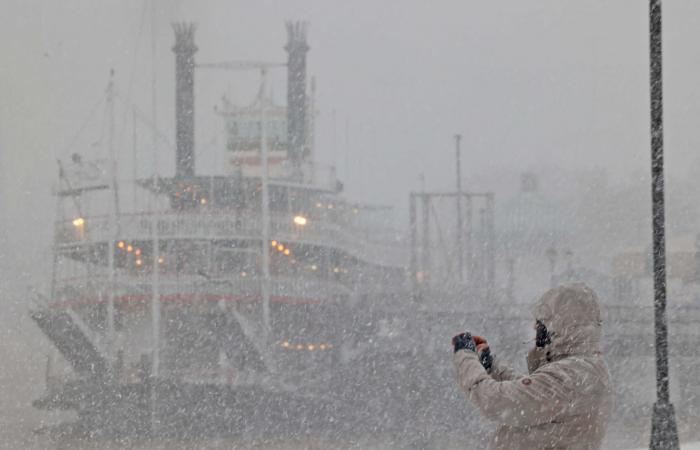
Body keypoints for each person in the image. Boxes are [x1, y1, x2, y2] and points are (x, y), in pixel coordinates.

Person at [452, 283, 613, 450]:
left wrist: (465, 355)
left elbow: (497, 400)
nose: (535, 327)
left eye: (541, 321)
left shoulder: (571, 375)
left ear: (561, 327)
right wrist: (492, 367)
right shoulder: (582, 371)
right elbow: (534, 397)